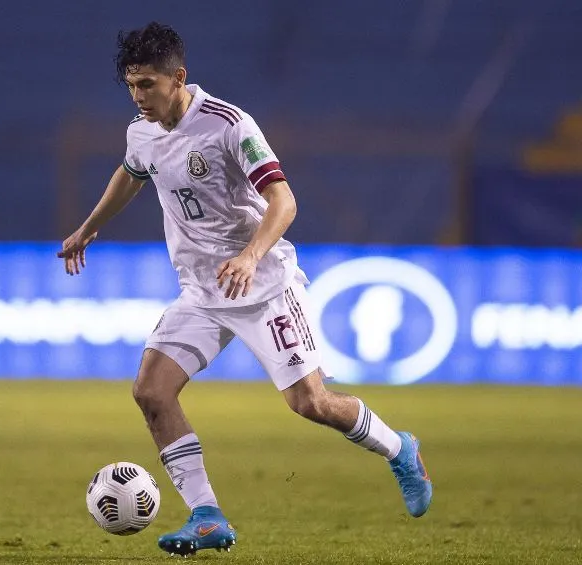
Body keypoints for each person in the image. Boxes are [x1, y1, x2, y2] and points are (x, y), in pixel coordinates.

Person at [58, 22, 432, 556]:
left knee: (311, 403)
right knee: (151, 391)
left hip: (264, 286)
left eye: (148, 85)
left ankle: (400, 448)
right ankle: (207, 516)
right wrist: (90, 225)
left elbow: (284, 201)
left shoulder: (230, 126)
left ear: (179, 77)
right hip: (201, 292)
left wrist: (250, 255)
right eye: (131, 85)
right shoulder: (141, 131)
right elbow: (132, 172)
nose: (138, 97)